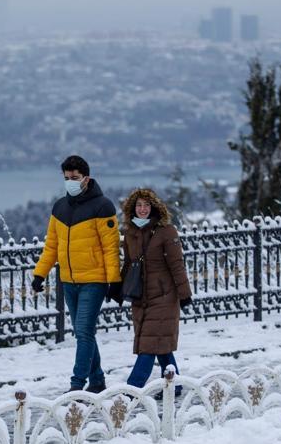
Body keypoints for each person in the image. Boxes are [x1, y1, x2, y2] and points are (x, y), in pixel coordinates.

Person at [32, 155, 122, 393]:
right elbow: (52, 245)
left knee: (83, 332)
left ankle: (76, 385)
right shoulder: (60, 207)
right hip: (68, 281)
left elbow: (110, 248)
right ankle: (98, 381)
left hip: (94, 280)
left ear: (86, 178)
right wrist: (39, 274)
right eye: (67, 178)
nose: (70, 182)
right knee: (85, 333)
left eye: (75, 178)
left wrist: (114, 281)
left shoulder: (103, 206)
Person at [120, 188, 191, 393]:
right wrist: (117, 289)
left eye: (146, 205)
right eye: (139, 205)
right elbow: (128, 264)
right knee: (161, 346)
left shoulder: (167, 232)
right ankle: (174, 386)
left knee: (148, 348)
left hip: (164, 296)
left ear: (154, 208)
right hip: (141, 297)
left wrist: (184, 294)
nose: (143, 209)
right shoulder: (130, 233)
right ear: (133, 209)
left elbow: (177, 264)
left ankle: (129, 394)